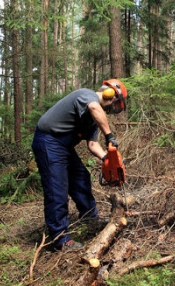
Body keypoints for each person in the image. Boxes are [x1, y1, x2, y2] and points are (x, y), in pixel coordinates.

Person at [32, 79, 128, 251]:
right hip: (48, 141)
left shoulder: (91, 120)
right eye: (115, 102)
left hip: (63, 146)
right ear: (110, 94)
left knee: (81, 178)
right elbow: (94, 107)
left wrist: (109, 159)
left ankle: (90, 218)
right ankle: (60, 240)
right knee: (57, 188)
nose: (113, 107)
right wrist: (109, 136)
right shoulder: (87, 95)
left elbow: (92, 145)